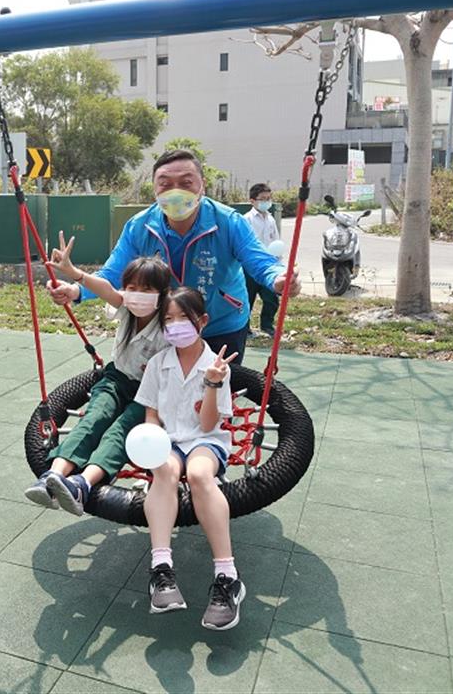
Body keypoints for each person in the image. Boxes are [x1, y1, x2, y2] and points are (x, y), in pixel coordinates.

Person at [47, 149, 300, 364]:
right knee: (167, 391)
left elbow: (259, 260)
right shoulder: (140, 226)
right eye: (165, 184)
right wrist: (76, 290)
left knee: (219, 392)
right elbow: (113, 273)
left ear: (202, 186)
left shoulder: (228, 222)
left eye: (186, 183)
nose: (175, 191)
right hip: (167, 325)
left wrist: (279, 278)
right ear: (155, 189)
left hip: (221, 324)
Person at [24, 231, 171, 516]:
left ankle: (83, 482)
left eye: (147, 289)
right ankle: (53, 475)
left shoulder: (168, 322)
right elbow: (105, 289)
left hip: (150, 391)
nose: (137, 294)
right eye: (132, 287)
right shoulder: (127, 308)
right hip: (117, 379)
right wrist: (74, 274)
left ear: (162, 294)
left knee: (121, 430)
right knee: (95, 417)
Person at [134, 286, 243, 631]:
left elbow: (209, 424)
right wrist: (151, 442)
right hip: (168, 440)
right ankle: (161, 569)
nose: (175, 325)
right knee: (164, 472)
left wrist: (212, 384)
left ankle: (227, 575)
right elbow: (152, 414)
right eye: (169, 319)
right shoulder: (158, 364)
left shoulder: (216, 367)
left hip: (204, 440)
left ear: (202, 320)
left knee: (198, 474)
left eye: (184, 318)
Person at [243, 183, 280, 336]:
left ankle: (267, 325)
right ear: (252, 201)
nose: (266, 202)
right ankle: (245, 328)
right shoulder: (247, 219)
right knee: (247, 299)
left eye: (268, 198)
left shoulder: (270, 219)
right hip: (250, 266)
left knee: (271, 298)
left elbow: (275, 239)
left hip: (268, 265)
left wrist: (277, 260)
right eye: (262, 199)